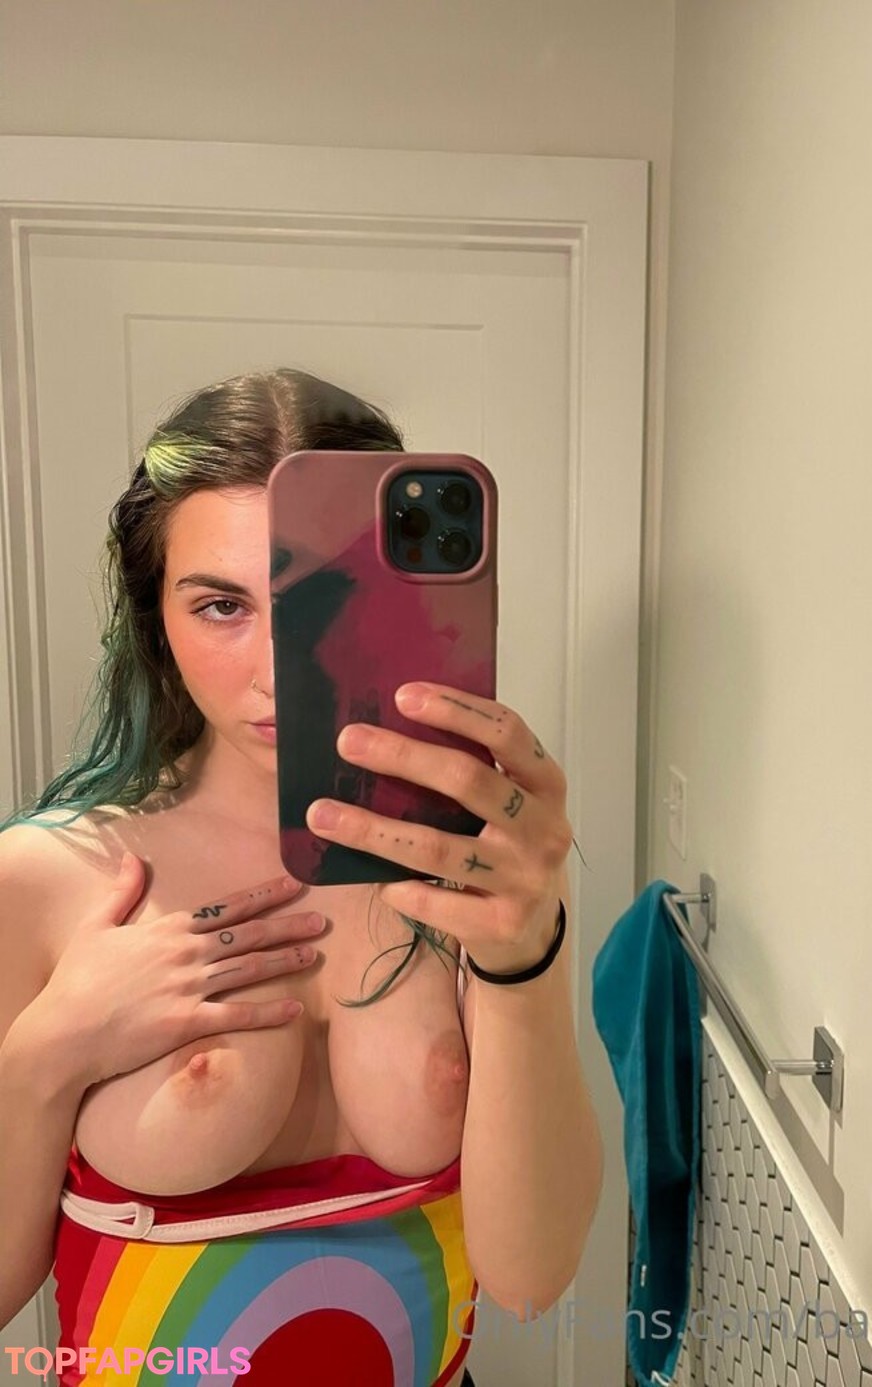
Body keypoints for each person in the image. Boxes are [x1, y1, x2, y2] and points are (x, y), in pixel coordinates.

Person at [0, 368, 604, 1387]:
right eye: (221, 605)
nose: (280, 669)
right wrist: (45, 1054)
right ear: (154, 621)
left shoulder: (475, 869)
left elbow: (531, 1278)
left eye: (326, 599)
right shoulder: (48, 878)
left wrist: (525, 953)